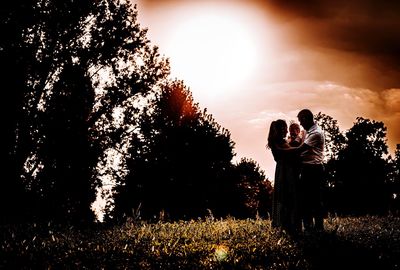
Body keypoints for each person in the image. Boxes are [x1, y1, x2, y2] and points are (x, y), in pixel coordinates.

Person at [267, 119, 301, 235]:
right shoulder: (278, 143)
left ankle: (288, 225)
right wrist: (303, 145)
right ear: (282, 129)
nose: (287, 130)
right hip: (285, 172)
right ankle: (287, 226)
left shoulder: (279, 141)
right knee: (287, 197)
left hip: (285, 171)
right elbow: (291, 151)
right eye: (286, 128)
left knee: (287, 197)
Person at [296, 109, 325, 232]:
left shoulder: (316, 133)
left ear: (306, 119)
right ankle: (309, 227)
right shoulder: (307, 131)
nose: (300, 124)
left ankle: (318, 228)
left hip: (314, 169)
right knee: (305, 199)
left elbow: (300, 150)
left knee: (315, 200)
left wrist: (281, 152)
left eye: (301, 121)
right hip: (307, 168)